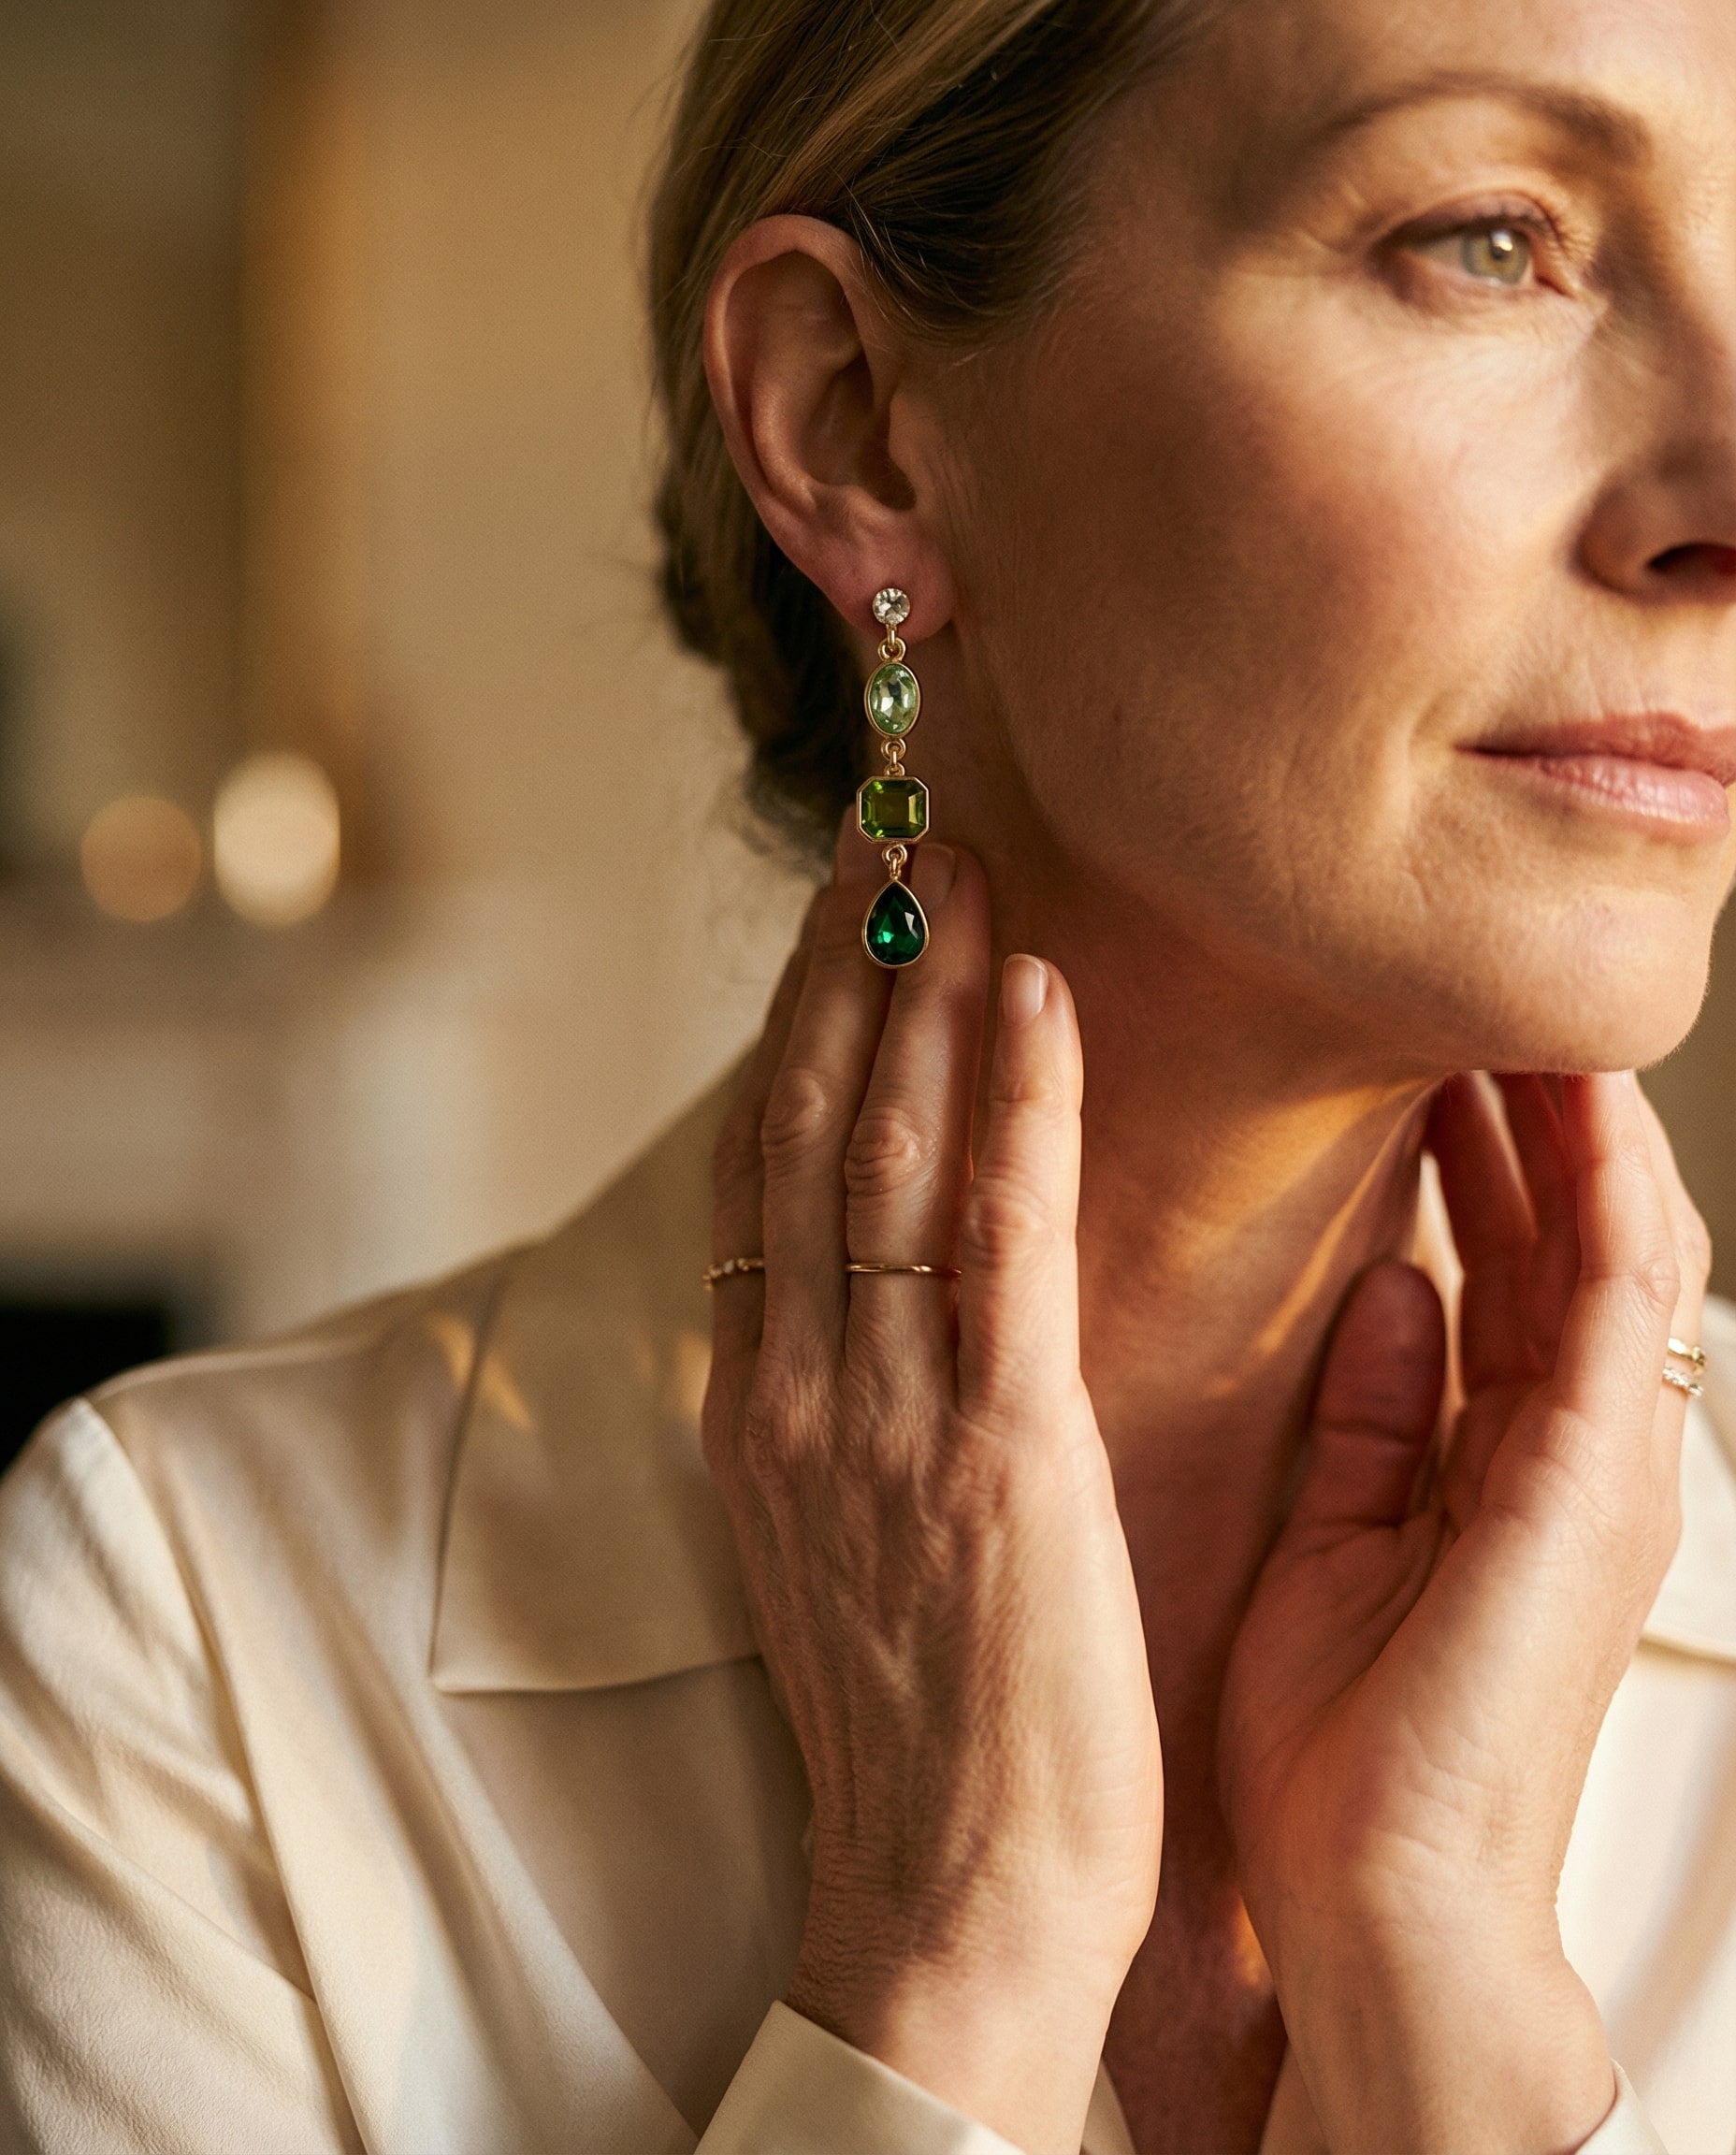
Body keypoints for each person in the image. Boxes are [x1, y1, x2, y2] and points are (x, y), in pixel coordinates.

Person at [2, 0, 1734, 2148]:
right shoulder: (189, 1639)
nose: (1719, 492)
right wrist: (953, 1947)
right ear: (854, 422)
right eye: (1489, 240)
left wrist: (1441, 1966)